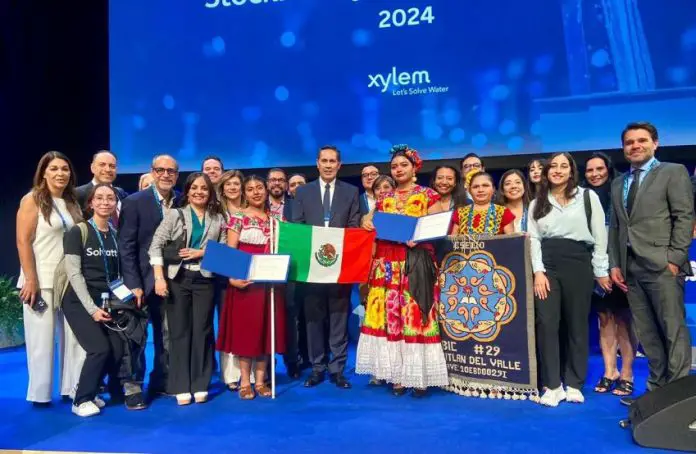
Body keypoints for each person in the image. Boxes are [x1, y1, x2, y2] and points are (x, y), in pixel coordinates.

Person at [607, 122, 694, 406]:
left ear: (655, 143)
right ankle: (656, 394)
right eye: (629, 142)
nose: (635, 146)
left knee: (672, 331)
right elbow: (617, 227)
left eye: (641, 140)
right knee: (648, 333)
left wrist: (674, 259)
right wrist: (615, 264)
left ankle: (678, 399)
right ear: (624, 148)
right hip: (631, 269)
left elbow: (684, 217)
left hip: (662, 267)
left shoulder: (672, 172)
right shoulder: (619, 182)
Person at [358, 145, 449, 397]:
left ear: (414, 168)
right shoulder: (384, 199)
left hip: (415, 262)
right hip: (387, 264)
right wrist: (367, 221)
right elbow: (370, 223)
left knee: (415, 316)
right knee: (392, 318)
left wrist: (419, 237)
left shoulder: (428, 196)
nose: (398, 170)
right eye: (394, 166)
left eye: (403, 165)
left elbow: (439, 227)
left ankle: (418, 377)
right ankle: (397, 375)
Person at [528, 152, 611, 407]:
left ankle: (574, 383)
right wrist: (538, 271)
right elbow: (533, 239)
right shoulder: (536, 203)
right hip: (548, 265)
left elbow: (599, 235)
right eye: (553, 166)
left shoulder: (588, 197)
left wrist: (601, 270)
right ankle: (552, 385)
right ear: (546, 171)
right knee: (547, 322)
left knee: (577, 323)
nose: (558, 170)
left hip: (579, 262)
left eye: (564, 166)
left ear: (571, 171)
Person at [149, 173, 226, 405]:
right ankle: (180, 386)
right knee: (179, 332)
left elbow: (223, 249)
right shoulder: (175, 214)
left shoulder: (218, 217)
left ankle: (200, 383)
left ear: (210, 192)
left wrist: (202, 253)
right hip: (177, 279)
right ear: (188, 191)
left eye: (204, 188)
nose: (199, 192)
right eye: (194, 188)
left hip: (205, 279)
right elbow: (155, 245)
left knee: (203, 331)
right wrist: (159, 278)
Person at [16, 151, 85, 405]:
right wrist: (30, 279)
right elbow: (23, 241)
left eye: (65, 169)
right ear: (43, 172)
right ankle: (40, 394)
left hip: (69, 280)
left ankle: (72, 388)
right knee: (40, 340)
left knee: (74, 336)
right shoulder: (32, 199)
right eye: (54, 169)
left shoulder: (70, 202)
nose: (60, 174)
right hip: (41, 281)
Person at [291, 145, 361, 389]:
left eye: (333, 161)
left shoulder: (351, 192)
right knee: (313, 319)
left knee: (339, 319)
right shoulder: (302, 192)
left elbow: (353, 227)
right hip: (312, 268)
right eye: (324, 161)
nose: (329, 165)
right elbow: (297, 227)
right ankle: (317, 367)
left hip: (340, 267)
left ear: (339, 165)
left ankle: (337, 369)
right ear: (317, 163)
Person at [216, 175, 286, 399]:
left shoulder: (274, 220)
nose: (256, 192)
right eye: (250, 189)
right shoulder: (238, 218)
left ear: (266, 191)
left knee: (266, 329)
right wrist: (232, 279)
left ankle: (261, 379)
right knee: (246, 332)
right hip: (245, 284)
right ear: (244, 194)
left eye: (259, 188)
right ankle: (245, 381)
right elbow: (231, 251)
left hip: (269, 285)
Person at [119, 154, 179, 405]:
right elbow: (126, 246)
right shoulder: (135, 201)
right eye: (160, 170)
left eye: (171, 171)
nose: (166, 175)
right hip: (142, 282)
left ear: (176, 175)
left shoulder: (182, 201)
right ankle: (133, 389)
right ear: (152, 172)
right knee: (137, 338)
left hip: (173, 282)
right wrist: (133, 284)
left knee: (167, 335)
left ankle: (161, 381)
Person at [62, 184, 127, 416]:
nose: (105, 202)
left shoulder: (116, 234)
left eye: (110, 198)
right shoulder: (77, 232)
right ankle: (81, 400)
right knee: (99, 349)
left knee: (117, 350)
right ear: (90, 203)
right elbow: (74, 274)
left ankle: (89, 388)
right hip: (78, 301)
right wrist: (91, 309)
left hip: (106, 299)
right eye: (99, 198)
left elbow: (117, 275)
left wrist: (125, 301)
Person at [583, 153, 637, 397]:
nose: (594, 174)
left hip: (621, 264)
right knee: (604, 319)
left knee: (624, 319)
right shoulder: (583, 196)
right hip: (595, 267)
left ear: (608, 169)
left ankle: (626, 373)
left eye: (599, 169)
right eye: (589, 170)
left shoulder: (621, 190)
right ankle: (609, 371)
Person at [450, 172, 515, 235]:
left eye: (485, 185)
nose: (480, 190)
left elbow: (511, 242)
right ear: (469, 190)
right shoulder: (460, 213)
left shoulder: (503, 212)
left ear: (493, 189)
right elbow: (452, 242)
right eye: (475, 187)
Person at [75, 151, 128, 222]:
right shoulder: (78, 194)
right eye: (102, 165)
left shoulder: (120, 193)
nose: (107, 169)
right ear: (92, 168)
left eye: (112, 166)